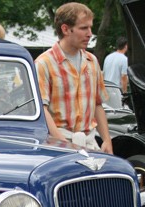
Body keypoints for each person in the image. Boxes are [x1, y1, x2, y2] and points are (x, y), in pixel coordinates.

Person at [35, 2, 112, 153]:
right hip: (58, 142)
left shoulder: (92, 61)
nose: (90, 33)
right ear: (65, 29)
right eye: (83, 28)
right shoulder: (44, 63)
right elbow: (42, 109)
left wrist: (107, 139)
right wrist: (61, 142)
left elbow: (97, 104)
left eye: (90, 27)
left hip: (90, 142)